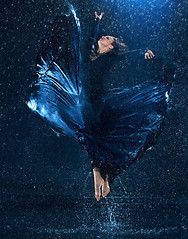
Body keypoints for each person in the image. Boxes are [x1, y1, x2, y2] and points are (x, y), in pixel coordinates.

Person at [26, 7, 174, 202]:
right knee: (90, 134)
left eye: (109, 38)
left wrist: (143, 52)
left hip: (94, 104)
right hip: (80, 100)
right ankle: (103, 173)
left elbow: (125, 55)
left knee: (94, 134)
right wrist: (95, 23)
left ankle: (103, 172)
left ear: (112, 47)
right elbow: (88, 41)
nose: (105, 36)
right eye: (106, 35)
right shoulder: (87, 55)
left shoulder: (107, 60)